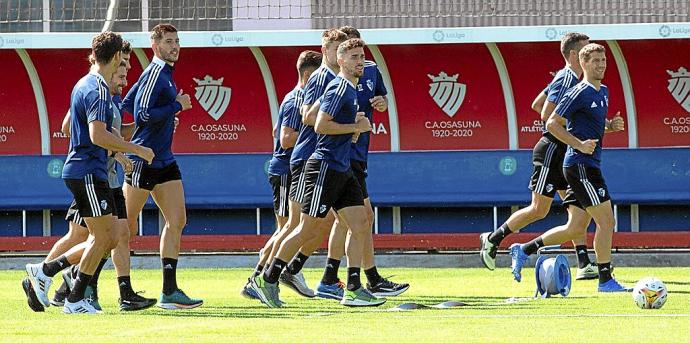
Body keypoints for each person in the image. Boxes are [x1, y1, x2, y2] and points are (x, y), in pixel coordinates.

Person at [25, 31, 155, 314]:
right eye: (124, 63)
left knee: (110, 236)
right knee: (100, 238)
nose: (126, 70)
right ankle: (63, 288)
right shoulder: (96, 89)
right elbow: (97, 135)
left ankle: (63, 286)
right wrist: (135, 149)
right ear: (115, 57)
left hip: (89, 170)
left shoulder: (90, 85)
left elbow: (85, 129)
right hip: (88, 170)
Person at [250, 38, 386, 308]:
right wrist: (356, 127)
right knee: (305, 229)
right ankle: (267, 278)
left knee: (360, 223)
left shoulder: (349, 88)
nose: (360, 61)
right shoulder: (339, 88)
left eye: (362, 56)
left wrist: (355, 126)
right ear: (341, 60)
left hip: (341, 167)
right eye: (354, 57)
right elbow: (320, 125)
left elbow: (315, 114)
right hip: (324, 167)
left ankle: (354, 288)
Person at [479, 32, 599, 280]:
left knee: (578, 213)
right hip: (552, 151)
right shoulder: (567, 79)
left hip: (566, 152)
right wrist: (574, 135)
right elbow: (545, 114)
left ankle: (584, 262)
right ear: (576, 55)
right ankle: (492, 239)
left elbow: (536, 103)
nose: (592, 56)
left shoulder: (568, 78)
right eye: (587, 51)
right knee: (539, 210)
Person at [513, 43, 629, 292]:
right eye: (596, 61)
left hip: (588, 164)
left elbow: (587, 122)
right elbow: (553, 123)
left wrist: (611, 126)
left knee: (576, 227)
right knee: (607, 222)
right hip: (580, 165)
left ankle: (523, 250)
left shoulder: (603, 91)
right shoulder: (579, 91)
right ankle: (605, 280)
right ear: (583, 63)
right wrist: (579, 145)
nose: (601, 65)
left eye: (604, 61)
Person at [122, 23, 202, 309]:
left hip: (164, 160)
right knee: (122, 229)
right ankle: (84, 280)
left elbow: (129, 103)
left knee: (177, 220)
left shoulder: (163, 74)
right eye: (169, 41)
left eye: (177, 41)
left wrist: (167, 118)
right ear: (155, 46)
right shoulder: (156, 72)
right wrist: (176, 107)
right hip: (144, 160)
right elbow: (142, 114)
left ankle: (169, 291)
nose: (175, 46)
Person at [240, 50, 323, 299]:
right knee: (287, 229)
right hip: (287, 170)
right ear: (309, 76)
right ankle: (257, 279)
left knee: (291, 228)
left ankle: (272, 274)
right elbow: (285, 138)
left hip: (292, 169)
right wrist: (322, 131)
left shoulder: (300, 98)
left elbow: (277, 129)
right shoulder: (297, 98)